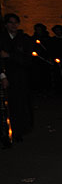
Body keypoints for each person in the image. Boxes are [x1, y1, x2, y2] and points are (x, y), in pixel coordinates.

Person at [0, 13, 33, 142]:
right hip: (5, 76)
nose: (13, 25)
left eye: (15, 22)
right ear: (6, 24)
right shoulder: (2, 38)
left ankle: (18, 130)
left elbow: (27, 59)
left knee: (20, 105)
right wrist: (2, 76)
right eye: (10, 22)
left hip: (20, 77)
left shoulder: (24, 39)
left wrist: (9, 55)